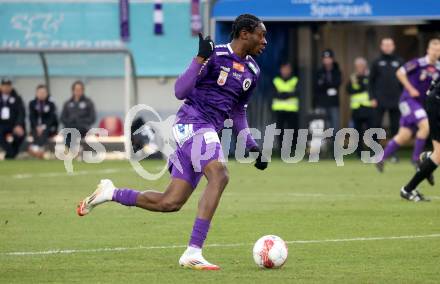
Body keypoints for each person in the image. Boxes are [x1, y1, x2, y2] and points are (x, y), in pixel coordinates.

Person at [76, 14, 268, 270]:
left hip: (207, 130)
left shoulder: (253, 71)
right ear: (245, 33)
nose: (264, 41)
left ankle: (110, 192)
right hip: (191, 122)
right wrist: (200, 58)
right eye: (261, 35)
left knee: (170, 202)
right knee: (220, 175)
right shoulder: (215, 55)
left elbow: (238, 112)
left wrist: (252, 146)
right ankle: (193, 251)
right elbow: (180, 91)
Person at [376, 39, 440, 178]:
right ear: (428, 50)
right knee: (425, 126)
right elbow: (400, 72)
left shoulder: (438, 68)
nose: (436, 52)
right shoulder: (418, 63)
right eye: (434, 49)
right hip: (408, 100)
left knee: (403, 136)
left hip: (420, 105)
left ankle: (381, 158)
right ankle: (416, 159)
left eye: (439, 50)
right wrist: (410, 89)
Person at [400, 78, 440, 202]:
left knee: (437, 154)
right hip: (437, 103)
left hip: (434, 99)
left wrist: (432, 88)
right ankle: (408, 190)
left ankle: (428, 159)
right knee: (439, 154)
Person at [369, 38, 404, 157]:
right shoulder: (376, 62)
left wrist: (404, 97)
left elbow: (405, 82)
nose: (388, 47)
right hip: (379, 100)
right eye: (385, 45)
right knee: (376, 125)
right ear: (381, 46)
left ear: (393, 46)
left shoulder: (399, 61)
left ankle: (393, 153)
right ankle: (375, 151)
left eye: (390, 45)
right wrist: (372, 97)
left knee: (396, 126)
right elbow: (370, 81)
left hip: (396, 99)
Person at [346, 57, 374, 158]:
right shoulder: (352, 77)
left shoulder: (369, 76)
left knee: (371, 130)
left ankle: (372, 150)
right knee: (357, 131)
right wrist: (359, 86)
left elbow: (367, 88)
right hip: (357, 108)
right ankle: (359, 153)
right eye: (358, 66)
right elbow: (349, 90)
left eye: (361, 66)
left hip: (368, 107)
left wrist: (359, 85)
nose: (359, 68)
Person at [271, 62, 299, 153]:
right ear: (280, 70)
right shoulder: (276, 80)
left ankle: (293, 150)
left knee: (293, 131)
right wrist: (288, 94)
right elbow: (273, 93)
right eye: (284, 69)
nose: (285, 71)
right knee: (280, 131)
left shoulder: (295, 80)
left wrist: (283, 94)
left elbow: (297, 92)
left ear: (290, 70)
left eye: (287, 69)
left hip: (292, 110)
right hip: (279, 110)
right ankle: (281, 151)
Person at [60, 81, 96, 148]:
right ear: (73, 90)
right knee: (68, 131)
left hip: (83, 128)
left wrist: (81, 121)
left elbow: (92, 118)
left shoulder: (88, 102)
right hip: (69, 127)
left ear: (83, 90)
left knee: (74, 131)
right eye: (76, 90)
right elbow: (62, 118)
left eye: (80, 90)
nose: (78, 91)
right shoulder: (67, 103)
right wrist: (70, 121)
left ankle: (73, 151)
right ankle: (72, 151)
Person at [314, 49, 342, 132]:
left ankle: (334, 144)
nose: (327, 61)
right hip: (322, 102)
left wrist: (325, 85)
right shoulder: (319, 72)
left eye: (329, 58)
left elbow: (336, 84)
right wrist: (328, 86)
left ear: (332, 59)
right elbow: (317, 87)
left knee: (335, 125)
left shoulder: (336, 71)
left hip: (333, 103)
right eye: (325, 59)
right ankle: (325, 144)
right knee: (322, 126)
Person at [28, 84, 58, 158]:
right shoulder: (32, 104)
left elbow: (51, 118)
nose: (42, 94)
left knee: (44, 131)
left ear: (46, 93)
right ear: (36, 93)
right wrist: (37, 127)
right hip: (36, 127)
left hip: (48, 127)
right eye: (40, 92)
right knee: (35, 131)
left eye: (43, 92)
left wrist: (43, 127)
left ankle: (38, 149)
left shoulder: (51, 104)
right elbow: (32, 117)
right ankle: (39, 150)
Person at [0, 78, 26, 159]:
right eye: (4, 85)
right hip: (1, 124)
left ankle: (11, 154)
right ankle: (11, 153)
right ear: (1, 86)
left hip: (13, 124)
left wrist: (18, 125)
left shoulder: (17, 98)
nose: (6, 87)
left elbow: (21, 113)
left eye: (8, 86)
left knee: (20, 134)